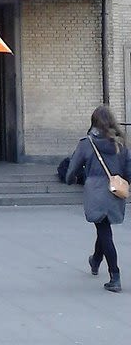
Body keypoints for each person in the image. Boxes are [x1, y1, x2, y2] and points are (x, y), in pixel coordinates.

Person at [66, 104, 130, 293]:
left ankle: (115, 276)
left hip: (96, 192)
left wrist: (70, 179)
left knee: (104, 230)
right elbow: (129, 170)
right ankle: (95, 260)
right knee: (104, 227)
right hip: (116, 192)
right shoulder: (121, 144)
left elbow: (73, 168)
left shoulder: (87, 143)